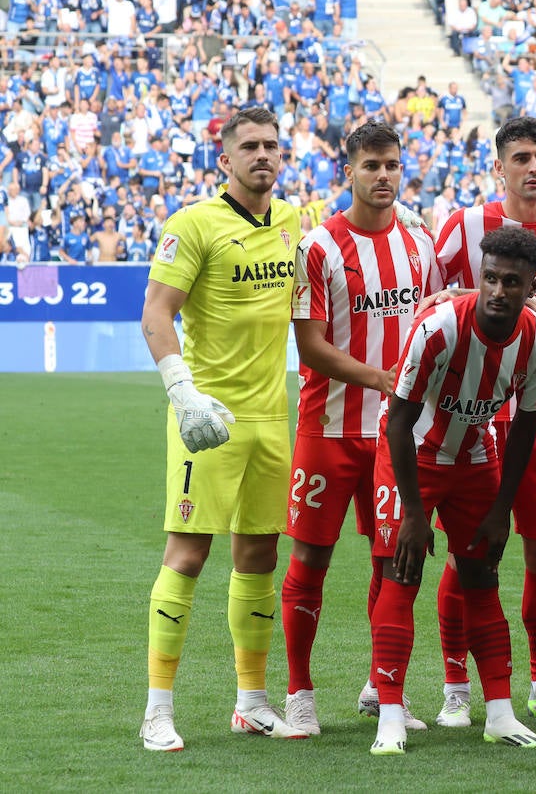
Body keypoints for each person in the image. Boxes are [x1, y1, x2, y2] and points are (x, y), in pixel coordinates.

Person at [138, 107, 306, 751]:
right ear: (225, 160)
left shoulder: (294, 220)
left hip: (271, 418)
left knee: (259, 554)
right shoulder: (193, 224)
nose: (264, 155)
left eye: (272, 146)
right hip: (206, 419)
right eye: (251, 147)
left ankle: (252, 701)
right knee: (188, 554)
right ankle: (157, 708)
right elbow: (155, 314)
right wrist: (183, 394)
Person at [370, 227, 536, 755]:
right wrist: (412, 513)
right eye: (491, 278)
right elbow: (398, 422)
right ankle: (391, 714)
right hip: (412, 457)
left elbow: (524, 426)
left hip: (477, 457)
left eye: (512, 282)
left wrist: (503, 508)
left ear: (530, 285)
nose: (499, 290)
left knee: (482, 577)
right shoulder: (438, 328)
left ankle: (499, 714)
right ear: (479, 276)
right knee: (400, 574)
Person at [280, 121, 443, 735]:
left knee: (393, 563)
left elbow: (431, 326)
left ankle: (382, 685)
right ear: (348, 170)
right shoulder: (317, 247)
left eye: (392, 165)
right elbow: (312, 348)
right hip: (328, 428)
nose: (383, 176)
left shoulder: (420, 245)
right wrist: (382, 380)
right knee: (310, 560)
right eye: (371, 165)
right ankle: (299, 691)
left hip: (397, 436)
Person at [433, 116, 536, 723]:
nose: (533, 167)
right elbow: (433, 307)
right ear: (498, 165)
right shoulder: (464, 227)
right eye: (521, 156)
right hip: (473, 420)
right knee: (470, 553)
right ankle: (454, 685)